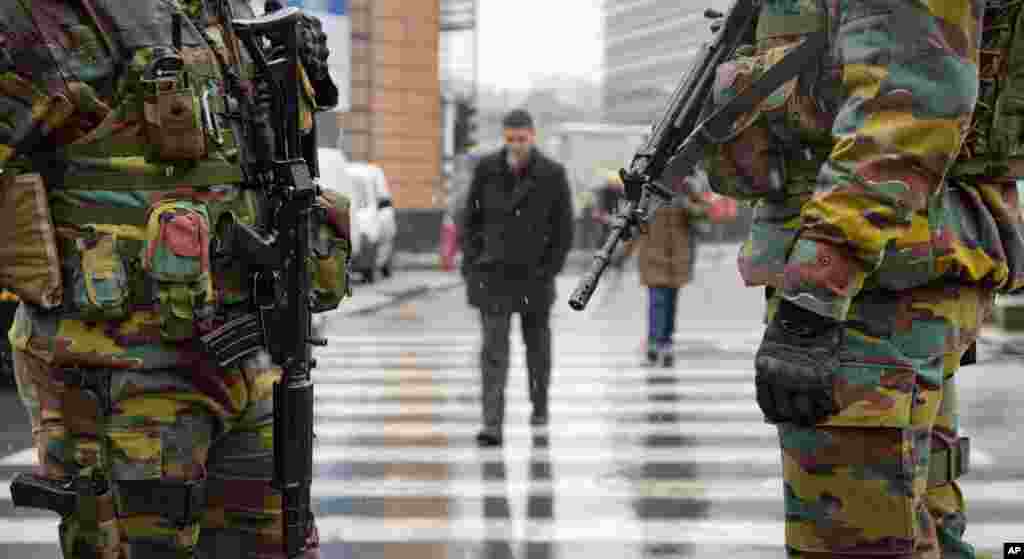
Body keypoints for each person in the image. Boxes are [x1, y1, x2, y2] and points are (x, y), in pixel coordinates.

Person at [0, 1, 343, 557]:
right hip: (126, 375)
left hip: (248, 358)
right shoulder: (55, 15)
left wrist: (289, 77)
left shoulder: (228, 11)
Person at [696, 0, 1024, 556]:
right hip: (882, 276)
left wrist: (813, 296)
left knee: (853, 542)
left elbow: (909, 106)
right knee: (908, 521)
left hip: (874, 285)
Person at [459, 109, 574, 447]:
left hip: (534, 278)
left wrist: (549, 268)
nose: (516, 145)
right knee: (493, 353)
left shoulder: (553, 174)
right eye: (510, 139)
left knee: (537, 349)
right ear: (504, 137)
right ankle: (491, 423)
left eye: (522, 139)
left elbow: (563, 228)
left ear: (532, 136)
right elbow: (471, 220)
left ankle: (539, 407)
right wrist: (473, 261)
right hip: (493, 275)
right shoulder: (487, 169)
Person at [633, 176, 709, 367]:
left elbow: (703, 216)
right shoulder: (646, 187)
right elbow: (633, 221)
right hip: (653, 256)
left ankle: (664, 343)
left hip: (677, 258)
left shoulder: (686, 186)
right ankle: (656, 344)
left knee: (669, 304)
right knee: (658, 302)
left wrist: (687, 204)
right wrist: (618, 256)